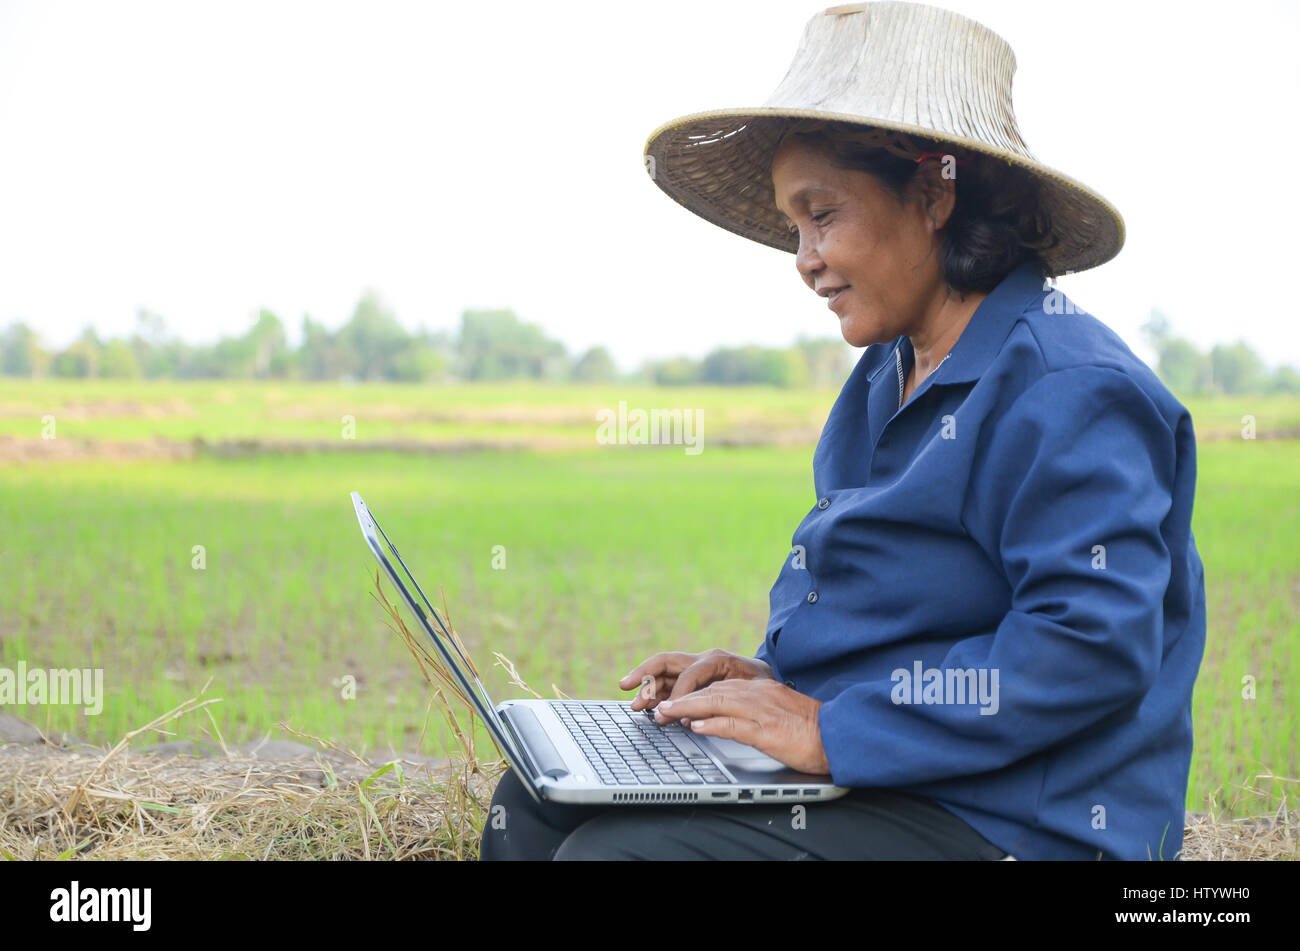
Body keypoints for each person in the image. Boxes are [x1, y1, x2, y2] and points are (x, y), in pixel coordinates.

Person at [480, 1, 1205, 861]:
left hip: (1012, 821)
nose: (804, 259)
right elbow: (900, 610)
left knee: (613, 859)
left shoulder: (1068, 388)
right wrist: (773, 684)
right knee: (532, 806)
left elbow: (1088, 644)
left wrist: (831, 728)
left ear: (935, 191)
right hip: (893, 781)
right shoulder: (882, 378)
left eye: (822, 216)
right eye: (794, 227)